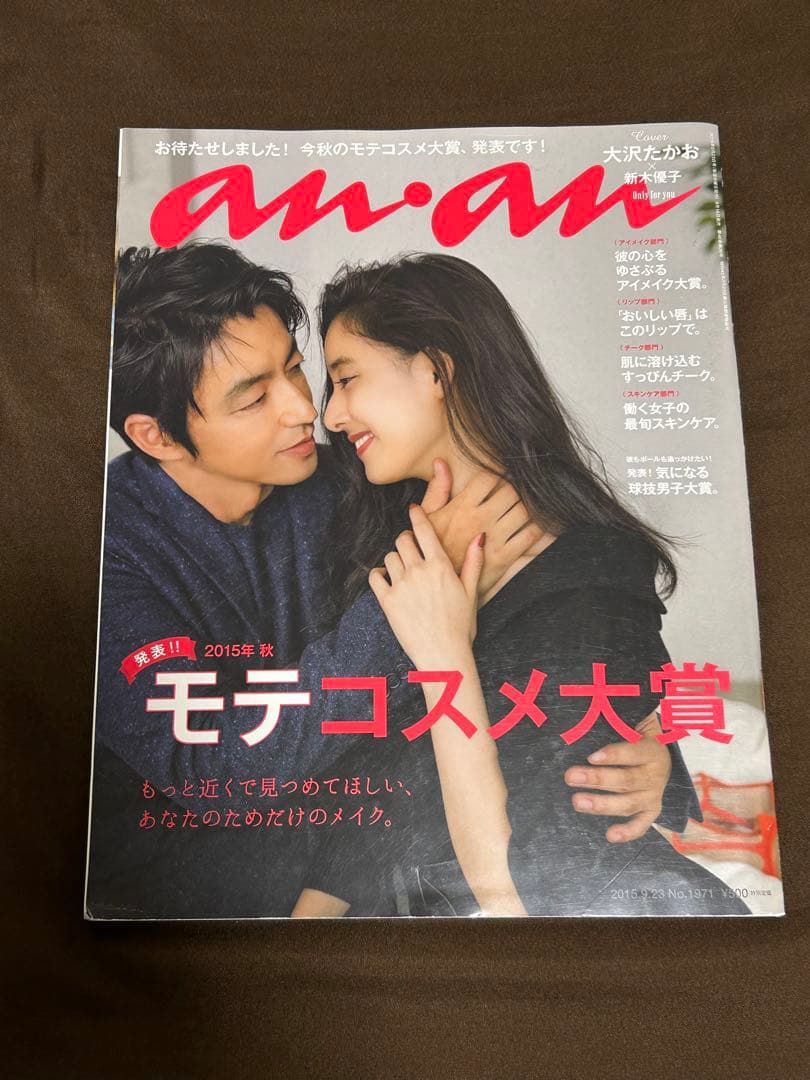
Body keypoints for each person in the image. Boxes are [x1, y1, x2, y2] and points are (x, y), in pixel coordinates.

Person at [85, 242, 696, 918]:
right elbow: (211, 768)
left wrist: (649, 749)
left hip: (370, 853)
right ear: (158, 437)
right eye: (254, 398)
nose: (306, 410)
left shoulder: (347, 479)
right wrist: (415, 598)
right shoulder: (102, 552)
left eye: (295, 369)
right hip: (190, 894)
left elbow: (552, 620)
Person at [292, 253, 747, 917]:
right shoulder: (382, 536)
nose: (330, 415)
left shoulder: (587, 574)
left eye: (346, 379)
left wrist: (442, 650)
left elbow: (521, 890)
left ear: (436, 370)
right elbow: (377, 785)